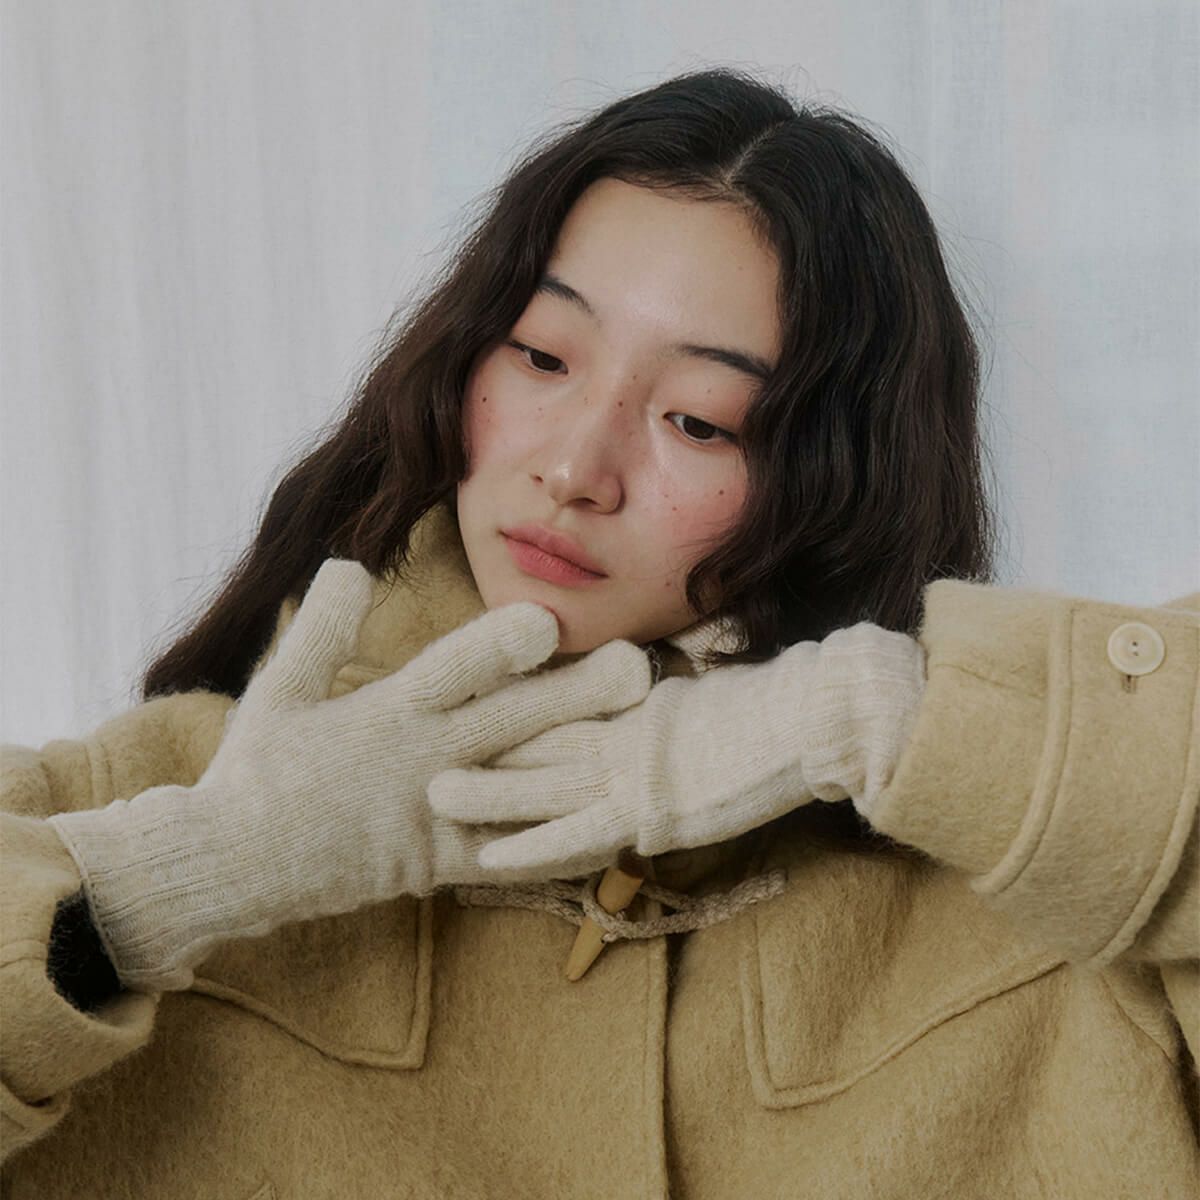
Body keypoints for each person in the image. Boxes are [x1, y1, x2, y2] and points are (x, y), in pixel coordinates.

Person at [1, 66, 1196, 1198]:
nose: (576, 467)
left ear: (835, 485)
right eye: (542, 355)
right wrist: (186, 876)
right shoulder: (141, 804)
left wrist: (882, 715)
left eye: (700, 420)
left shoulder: (1047, 915)